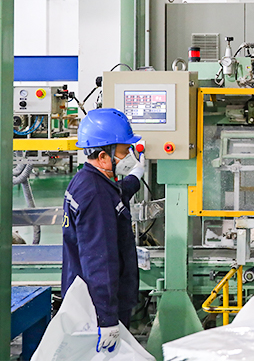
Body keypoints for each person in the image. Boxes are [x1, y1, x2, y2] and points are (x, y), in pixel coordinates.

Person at [61, 108, 145, 353]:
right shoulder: (95, 194)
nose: (128, 156)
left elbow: (115, 195)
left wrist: (135, 177)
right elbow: (100, 261)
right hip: (98, 306)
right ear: (102, 155)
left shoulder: (88, 180)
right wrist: (107, 319)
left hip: (90, 299)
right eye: (124, 151)